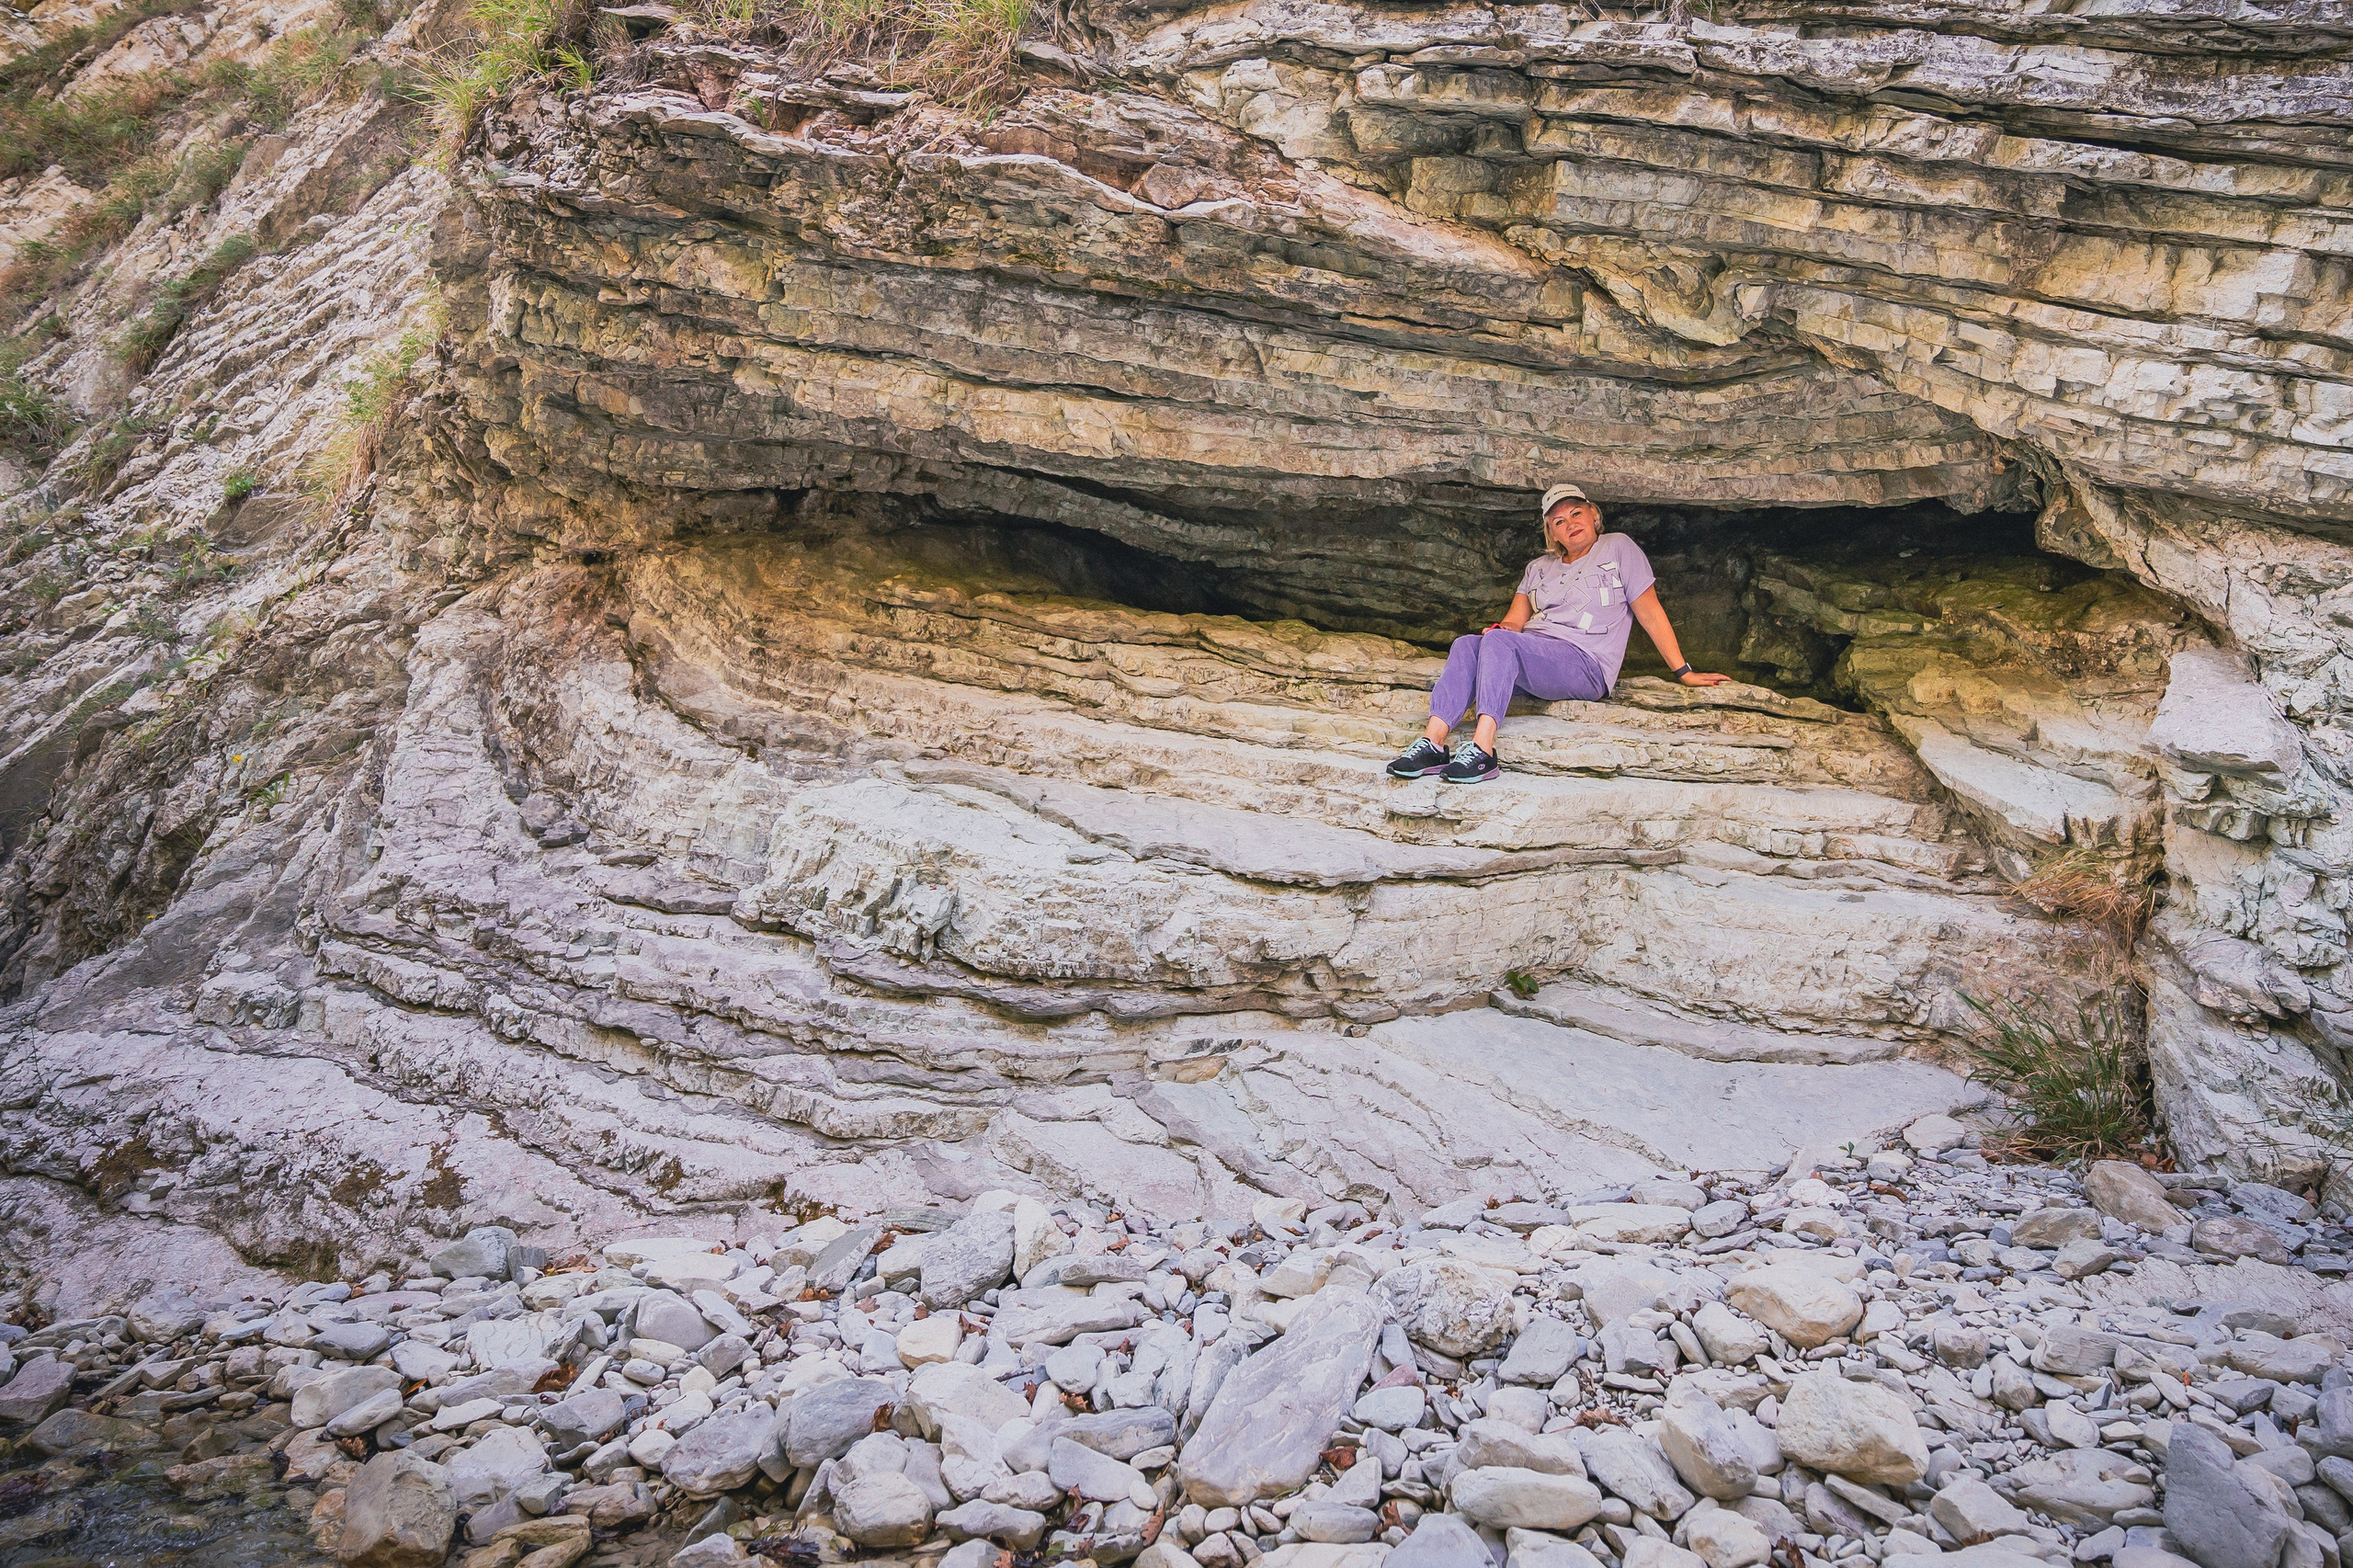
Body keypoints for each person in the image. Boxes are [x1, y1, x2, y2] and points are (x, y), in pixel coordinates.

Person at [1389, 483, 1729, 783]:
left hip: (1586, 662)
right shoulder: (1538, 568)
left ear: (1594, 515)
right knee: (1467, 644)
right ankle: (1433, 743)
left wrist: (1684, 672)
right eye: (1559, 522)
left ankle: (1482, 749)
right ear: (1552, 534)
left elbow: (1650, 611)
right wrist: (1496, 633)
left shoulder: (1618, 548)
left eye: (1577, 513)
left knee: (1498, 642)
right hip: (1535, 652)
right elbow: (1512, 624)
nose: (1572, 524)